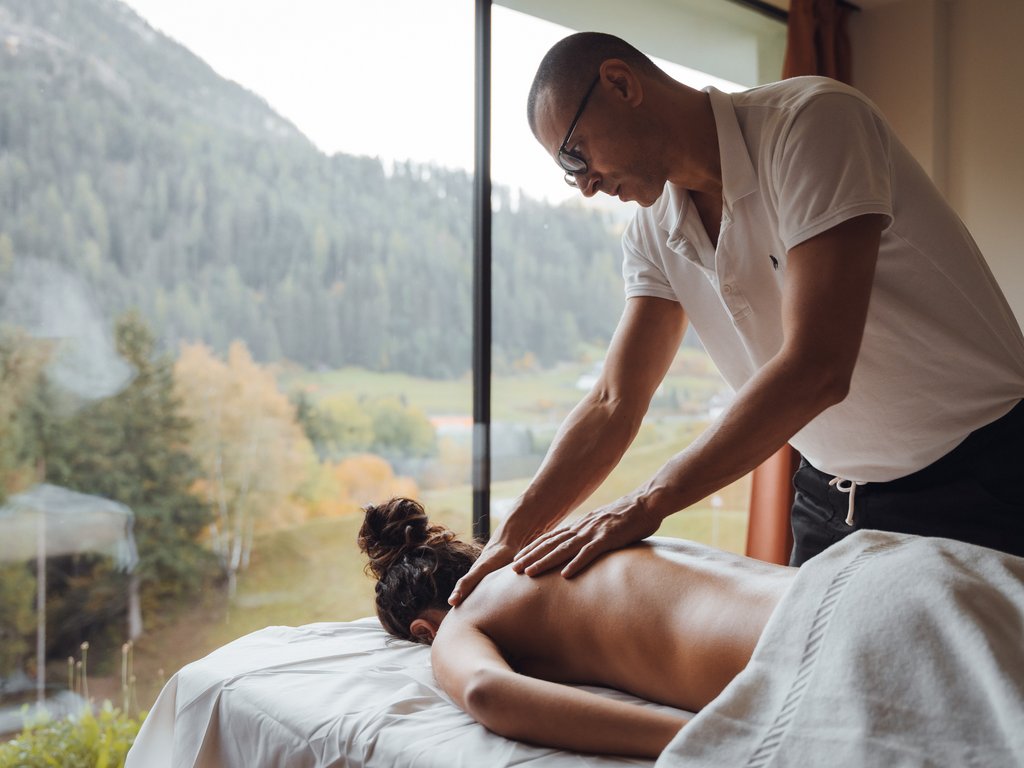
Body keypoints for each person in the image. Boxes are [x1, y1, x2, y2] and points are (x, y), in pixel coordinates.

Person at [449, 31, 1024, 605]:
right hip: (829, 497)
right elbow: (613, 403)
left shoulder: (812, 125)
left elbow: (817, 366)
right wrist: (510, 539)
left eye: (576, 155)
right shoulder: (654, 234)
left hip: (978, 477)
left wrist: (647, 503)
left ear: (620, 84)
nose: (586, 186)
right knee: (806, 690)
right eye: (568, 173)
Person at [358, 497, 794, 758]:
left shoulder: (460, 617)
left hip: (799, 647)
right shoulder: (569, 543)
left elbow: (486, 691)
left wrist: (708, 740)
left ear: (422, 630)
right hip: (828, 580)